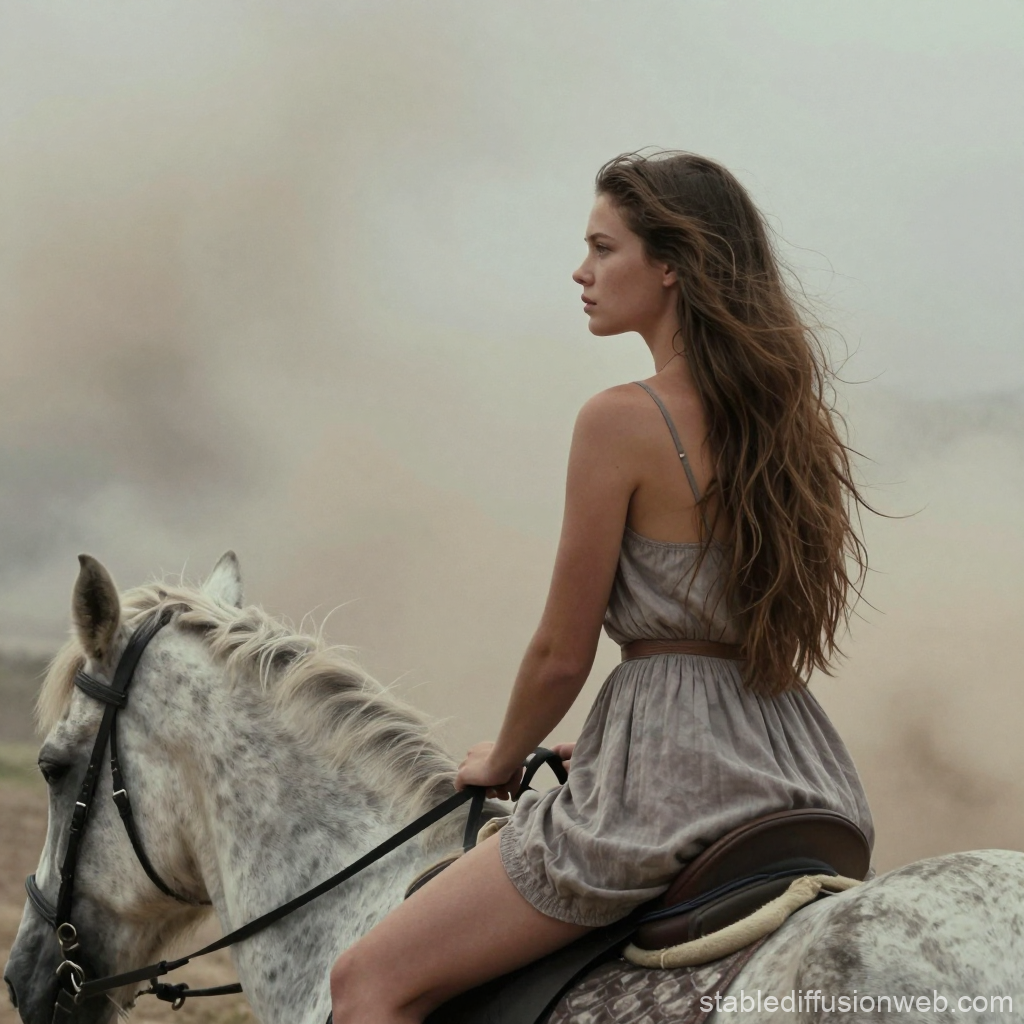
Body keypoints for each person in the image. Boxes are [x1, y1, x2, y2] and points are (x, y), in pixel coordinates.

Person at [329, 150, 875, 1024]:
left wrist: (501, 759)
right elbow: (732, 642)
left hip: (664, 800)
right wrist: (617, 739)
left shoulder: (620, 418)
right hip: (796, 770)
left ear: (672, 264)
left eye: (602, 247)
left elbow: (560, 653)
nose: (580, 272)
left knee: (366, 982)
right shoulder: (786, 424)